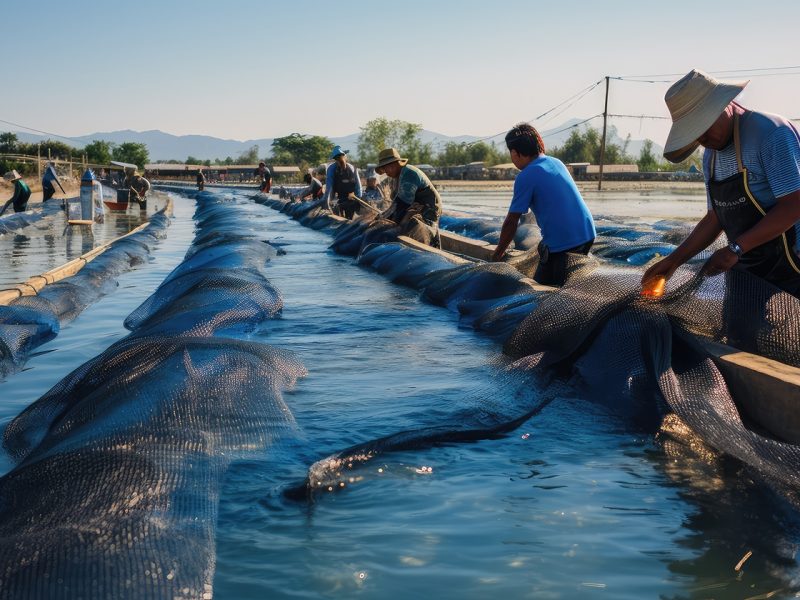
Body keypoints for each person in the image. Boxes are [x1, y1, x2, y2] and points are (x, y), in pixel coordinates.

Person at [642, 69, 800, 297]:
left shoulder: (770, 133)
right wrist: (674, 261)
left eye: (704, 126)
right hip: (748, 264)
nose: (702, 138)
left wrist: (736, 248)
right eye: (694, 133)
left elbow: (794, 205)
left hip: (793, 265)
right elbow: (715, 218)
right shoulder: (710, 157)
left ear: (724, 105)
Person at [491, 123, 596, 286]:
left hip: (564, 243)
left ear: (515, 153)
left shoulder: (526, 176)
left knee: (543, 290)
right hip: (587, 233)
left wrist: (497, 254)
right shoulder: (556, 162)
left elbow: (512, 221)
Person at [375, 147, 442, 229]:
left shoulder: (409, 174)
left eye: (386, 168)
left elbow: (402, 205)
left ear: (394, 165)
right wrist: (383, 215)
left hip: (429, 210)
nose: (385, 172)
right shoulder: (398, 176)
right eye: (383, 169)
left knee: (402, 227)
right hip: (415, 207)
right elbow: (397, 202)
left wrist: (386, 217)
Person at [323, 145, 362, 219]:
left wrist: (358, 199)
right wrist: (327, 203)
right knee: (337, 210)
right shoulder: (332, 169)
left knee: (350, 215)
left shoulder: (352, 168)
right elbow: (329, 189)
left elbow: (358, 187)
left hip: (352, 198)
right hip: (339, 198)